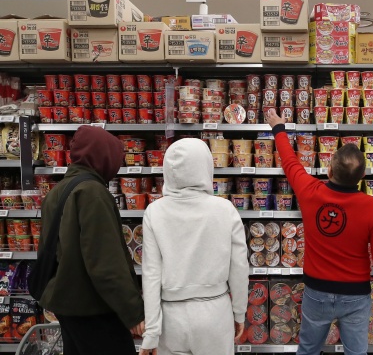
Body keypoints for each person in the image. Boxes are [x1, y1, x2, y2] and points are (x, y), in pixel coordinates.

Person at [266, 109, 373, 355]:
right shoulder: (371, 207)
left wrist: (278, 129)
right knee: (356, 352)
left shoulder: (310, 192)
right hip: (356, 296)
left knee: (308, 349)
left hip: (317, 293)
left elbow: (290, 162)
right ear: (363, 178)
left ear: (329, 171)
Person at [38, 126, 145, 355]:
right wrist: (134, 312)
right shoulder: (92, 193)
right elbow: (106, 264)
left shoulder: (57, 192)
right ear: (103, 156)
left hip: (67, 305)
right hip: (94, 308)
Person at [139, 138, 249, 355]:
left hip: (171, 317)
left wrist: (151, 332)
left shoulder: (154, 212)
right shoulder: (225, 210)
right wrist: (239, 313)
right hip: (215, 312)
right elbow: (239, 268)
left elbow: (151, 274)